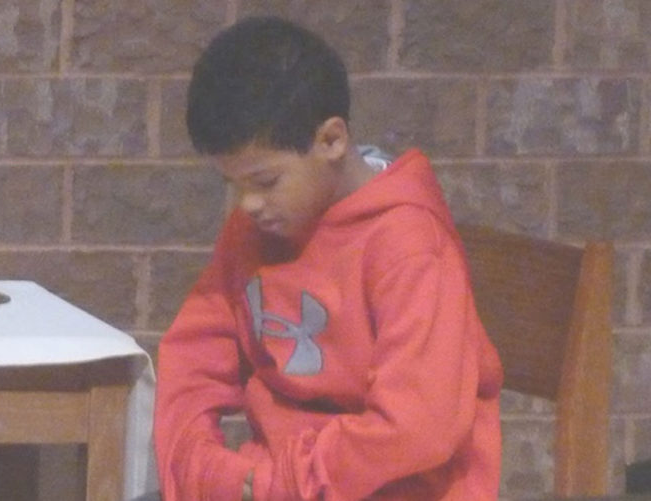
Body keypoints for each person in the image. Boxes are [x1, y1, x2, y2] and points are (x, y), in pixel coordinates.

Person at [153, 16, 504, 501]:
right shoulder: (253, 229)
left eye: (265, 181)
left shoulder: (409, 245)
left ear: (332, 141)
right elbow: (191, 361)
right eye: (232, 184)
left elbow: (418, 426)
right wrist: (200, 467)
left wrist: (282, 483)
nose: (247, 204)